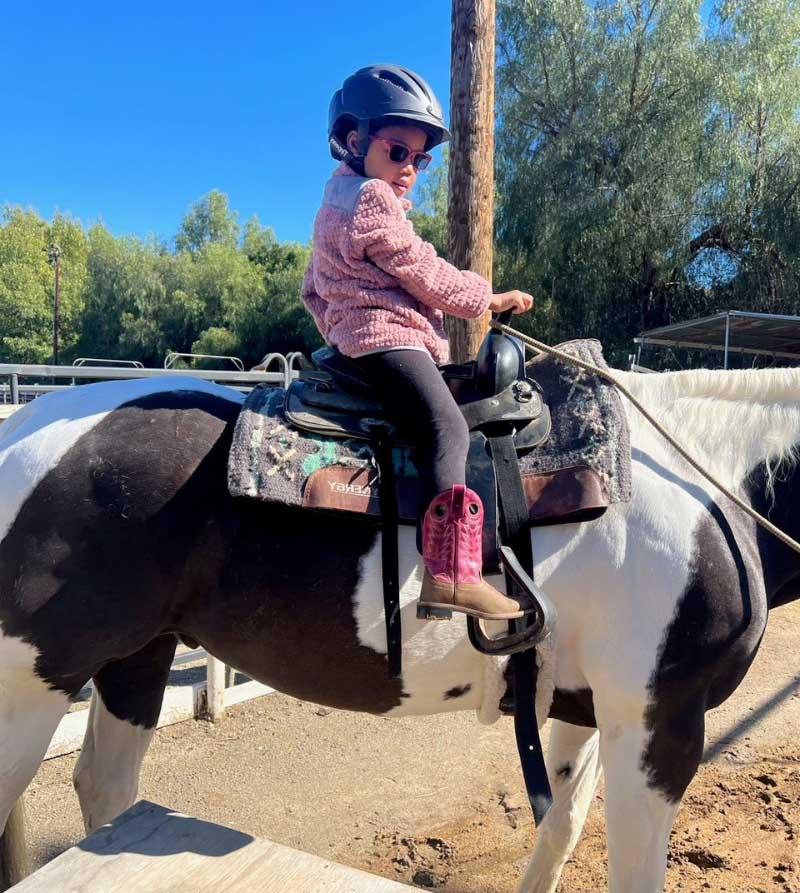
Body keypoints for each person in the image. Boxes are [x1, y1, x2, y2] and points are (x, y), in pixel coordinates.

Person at [302, 64, 534, 623]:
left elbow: (312, 289)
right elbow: (423, 271)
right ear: (356, 142)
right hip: (385, 336)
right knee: (446, 427)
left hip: (363, 336)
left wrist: (338, 328)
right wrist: (489, 298)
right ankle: (451, 576)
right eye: (398, 152)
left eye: (420, 158)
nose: (410, 169)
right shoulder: (369, 202)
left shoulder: (336, 200)